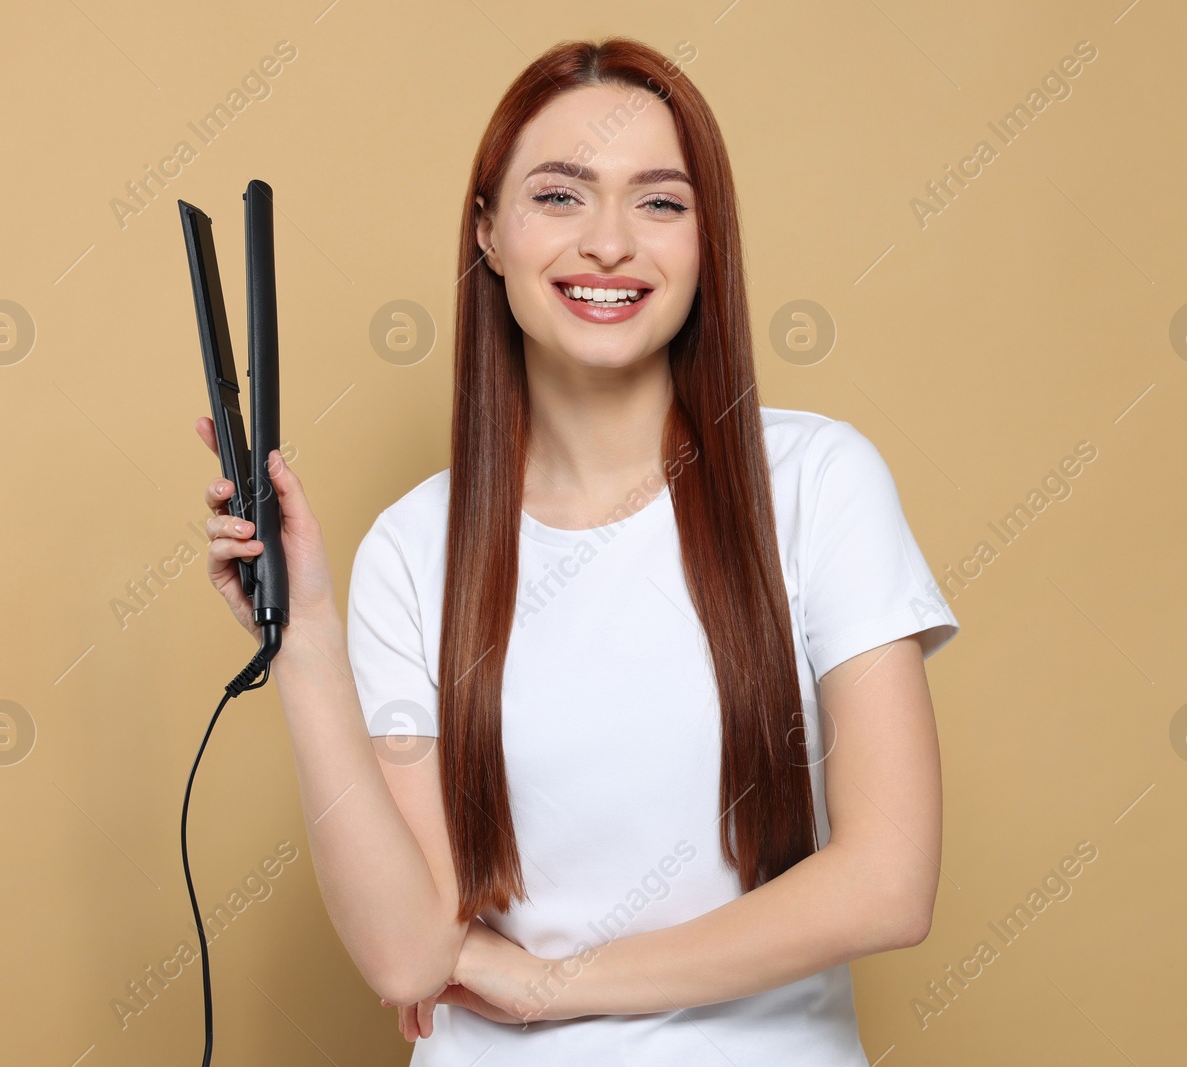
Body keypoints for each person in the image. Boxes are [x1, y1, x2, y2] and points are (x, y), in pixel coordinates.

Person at [196, 35, 960, 1066]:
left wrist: (547, 984)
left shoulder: (819, 481)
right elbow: (407, 952)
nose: (609, 242)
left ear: (707, 241)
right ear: (490, 234)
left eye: (659, 201)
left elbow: (888, 880)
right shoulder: (413, 548)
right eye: (559, 196)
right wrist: (307, 639)